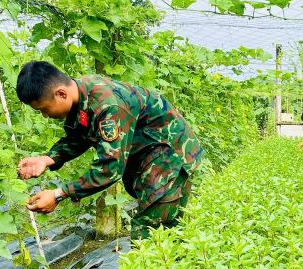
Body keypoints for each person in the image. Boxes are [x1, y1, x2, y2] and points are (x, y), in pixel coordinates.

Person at [14, 61, 202, 239]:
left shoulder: (108, 106)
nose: (45, 116)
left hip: (170, 154)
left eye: (44, 109)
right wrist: (46, 159)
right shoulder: (81, 93)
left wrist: (58, 194)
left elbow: (109, 169)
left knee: (151, 231)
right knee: (167, 229)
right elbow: (80, 136)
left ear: (61, 94)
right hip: (150, 153)